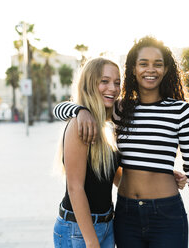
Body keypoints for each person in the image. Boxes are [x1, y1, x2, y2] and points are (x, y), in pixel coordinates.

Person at [53, 37, 189, 248]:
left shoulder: (182, 112)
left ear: (166, 70)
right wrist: (79, 111)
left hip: (166, 215)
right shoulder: (119, 110)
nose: (151, 69)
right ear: (133, 69)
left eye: (158, 64)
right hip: (126, 216)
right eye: (143, 63)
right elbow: (60, 109)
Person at [53, 58, 122, 248]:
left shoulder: (107, 123)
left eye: (117, 82)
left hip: (107, 225)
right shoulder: (80, 124)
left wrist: (156, 179)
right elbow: (75, 188)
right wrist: (91, 242)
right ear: (90, 84)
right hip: (79, 230)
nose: (113, 88)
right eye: (104, 81)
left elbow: (111, 175)